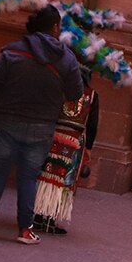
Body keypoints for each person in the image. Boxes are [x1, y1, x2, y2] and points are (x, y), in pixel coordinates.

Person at [0, 4, 84, 244]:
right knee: (28, 178)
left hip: (6, 122)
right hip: (42, 127)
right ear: (56, 27)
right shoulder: (66, 59)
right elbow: (76, 92)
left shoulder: (13, 53)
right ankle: (24, 229)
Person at [32, 66, 98, 235]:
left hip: (54, 137)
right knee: (64, 180)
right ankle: (51, 220)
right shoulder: (91, 95)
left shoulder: (61, 89)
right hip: (74, 142)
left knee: (45, 177)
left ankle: (38, 216)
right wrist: (89, 147)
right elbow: (92, 124)